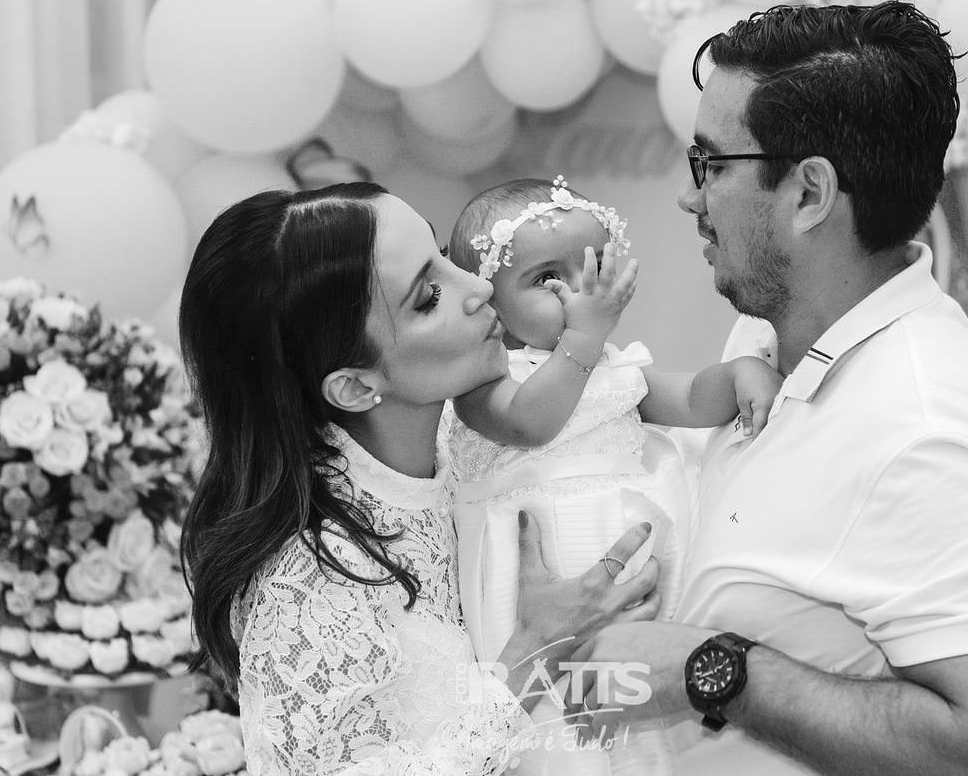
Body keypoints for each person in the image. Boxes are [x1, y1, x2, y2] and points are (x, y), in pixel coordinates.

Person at [568, 0, 968, 775]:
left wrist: (720, 671)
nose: (690, 197)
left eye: (711, 165)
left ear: (808, 194)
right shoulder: (767, 335)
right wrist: (550, 646)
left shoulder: (926, 425)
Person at [178, 182, 664, 774]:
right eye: (429, 296)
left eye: (443, 256)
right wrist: (536, 647)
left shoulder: (485, 434)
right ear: (354, 386)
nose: (480, 287)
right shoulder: (311, 581)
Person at [447, 176, 782, 668]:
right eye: (548, 278)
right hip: (542, 581)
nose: (582, 289)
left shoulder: (613, 366)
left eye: (595, 266)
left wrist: (737, 375)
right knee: (560, 702)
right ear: (490, 304)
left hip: (638, 554)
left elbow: (690, 399)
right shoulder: (486, 380)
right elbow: (530, 424)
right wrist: (582, 340)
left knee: (651, 678)